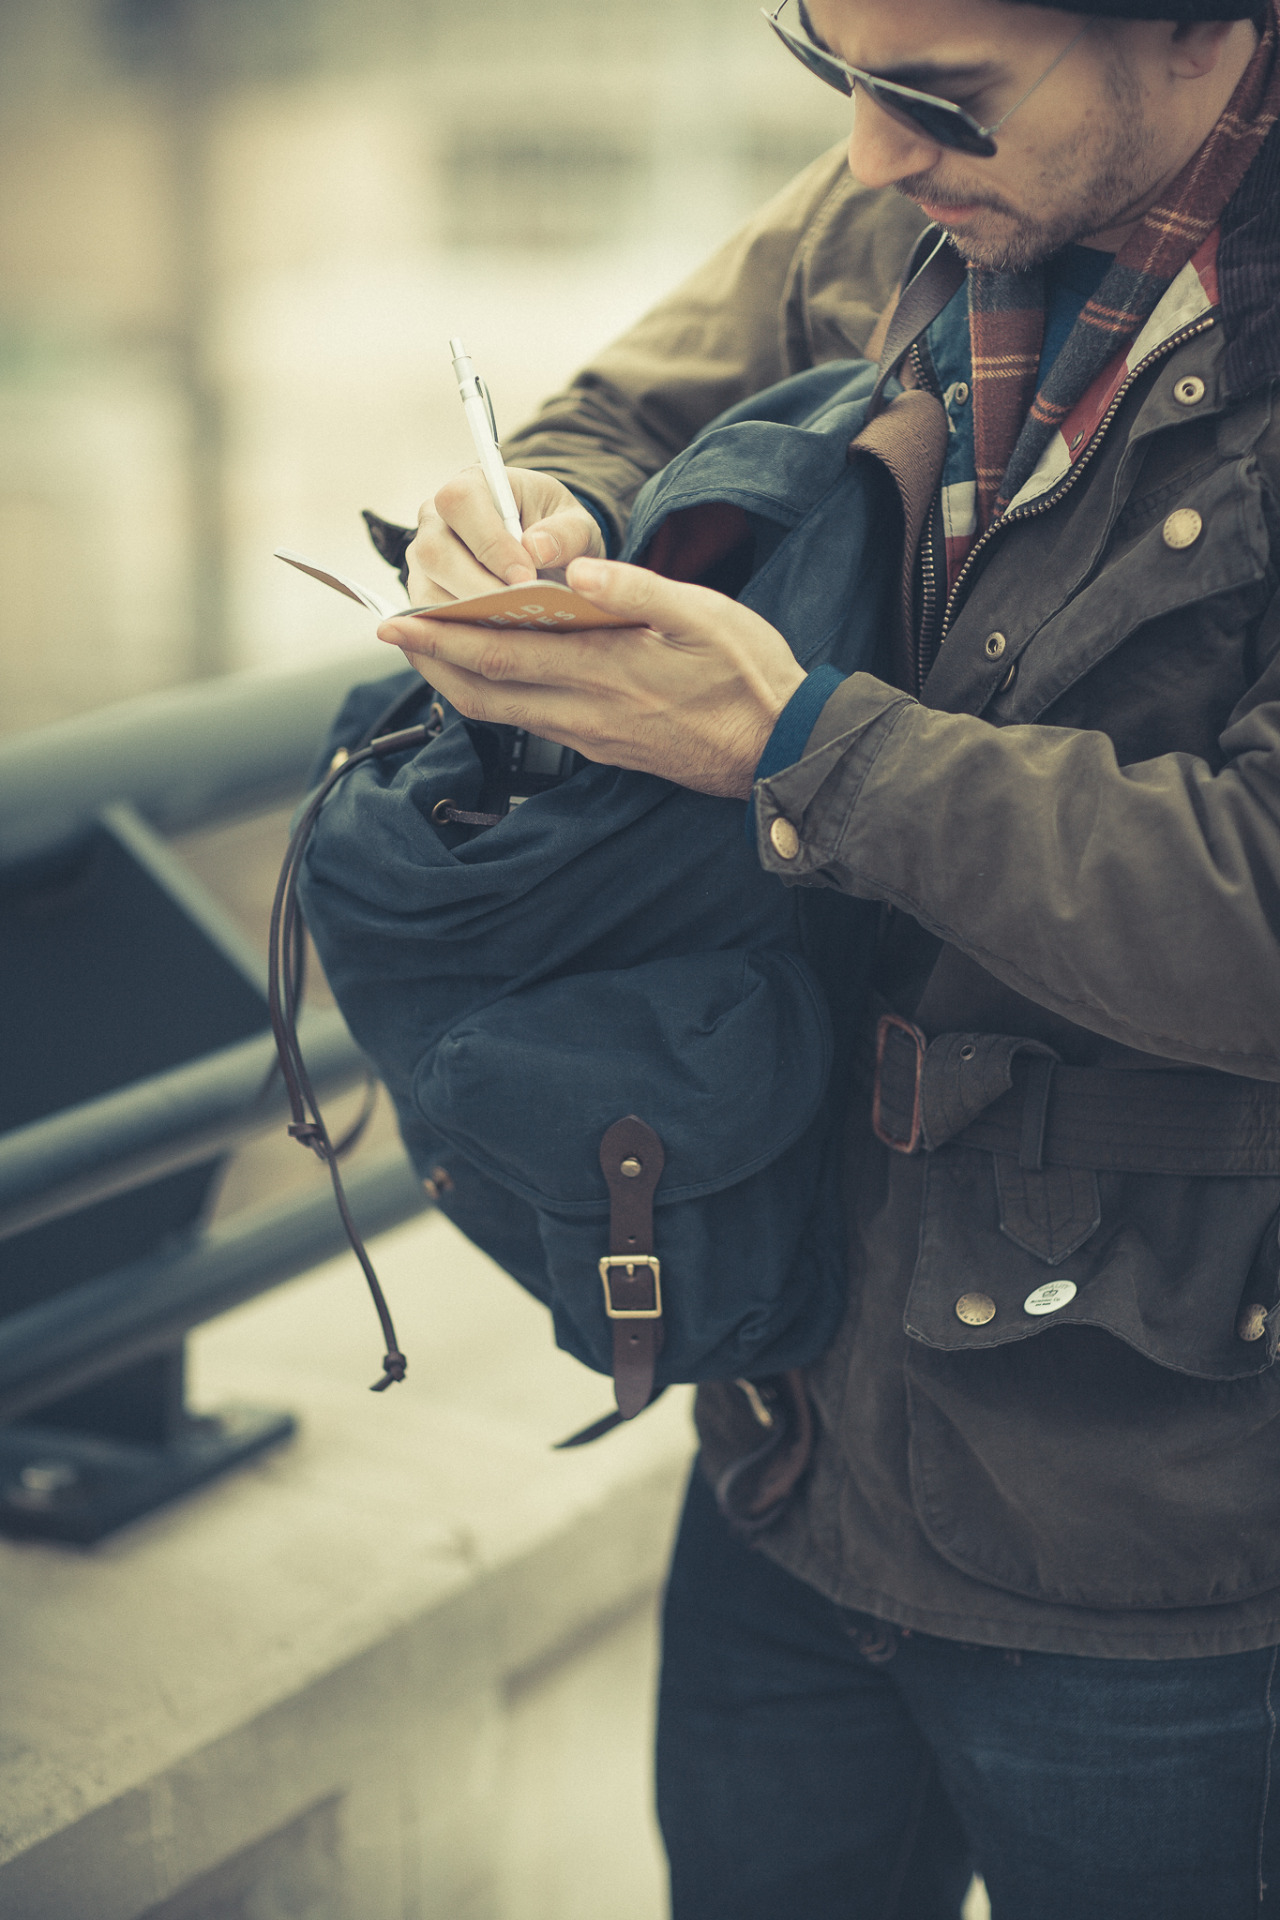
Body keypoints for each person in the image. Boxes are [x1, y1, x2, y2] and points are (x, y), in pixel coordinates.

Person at [377, 1, 1280, 1912]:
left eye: (937, 98)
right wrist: (547, 515)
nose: (870, 156)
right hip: (783, 1446)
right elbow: (615, 417)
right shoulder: (927, 171)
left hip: (1168, 1563)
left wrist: (799, 747)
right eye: (835, 78)